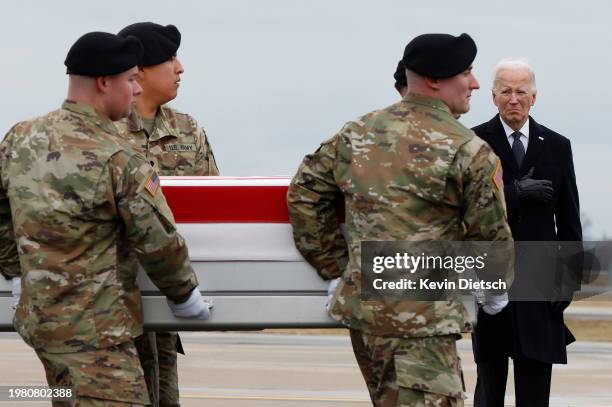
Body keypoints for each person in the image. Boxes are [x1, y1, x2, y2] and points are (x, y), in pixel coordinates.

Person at [287, 33, 513, 406]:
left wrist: (338, 269)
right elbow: (489, 232)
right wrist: (496, 289)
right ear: (435, 80)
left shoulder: (357, 133)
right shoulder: (467, 148)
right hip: (423, 324)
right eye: (467, 73)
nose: (474, 83)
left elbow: (305, 194)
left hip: (367, 320)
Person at [0, 31, 211, 406]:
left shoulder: (21, 138)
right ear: (104, 82)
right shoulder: (118, 157)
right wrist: (184, 296)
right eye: (130, 80)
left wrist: (15, 270)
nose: (134, 90)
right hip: (98, 336)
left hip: (43, 326)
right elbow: (158, 240)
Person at [113, 22, 219, 407]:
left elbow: (213, 203)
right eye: (170, 58)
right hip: (114, 302)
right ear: (139, 70)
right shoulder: (102, 131)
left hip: (168, 299)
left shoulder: (188, 130)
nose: (180, 67)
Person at [471, 59, 582, 407]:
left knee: (535, 383)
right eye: (506, 91)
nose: (513, 99)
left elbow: (569, 221)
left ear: (535, 96)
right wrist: (516, 193)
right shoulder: (473, 142)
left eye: (521, 91)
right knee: (490, 383)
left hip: (539, 279)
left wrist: (567, 280)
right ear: (493, 96)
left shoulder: (557, 146)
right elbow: (469, 209)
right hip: (491, 278)